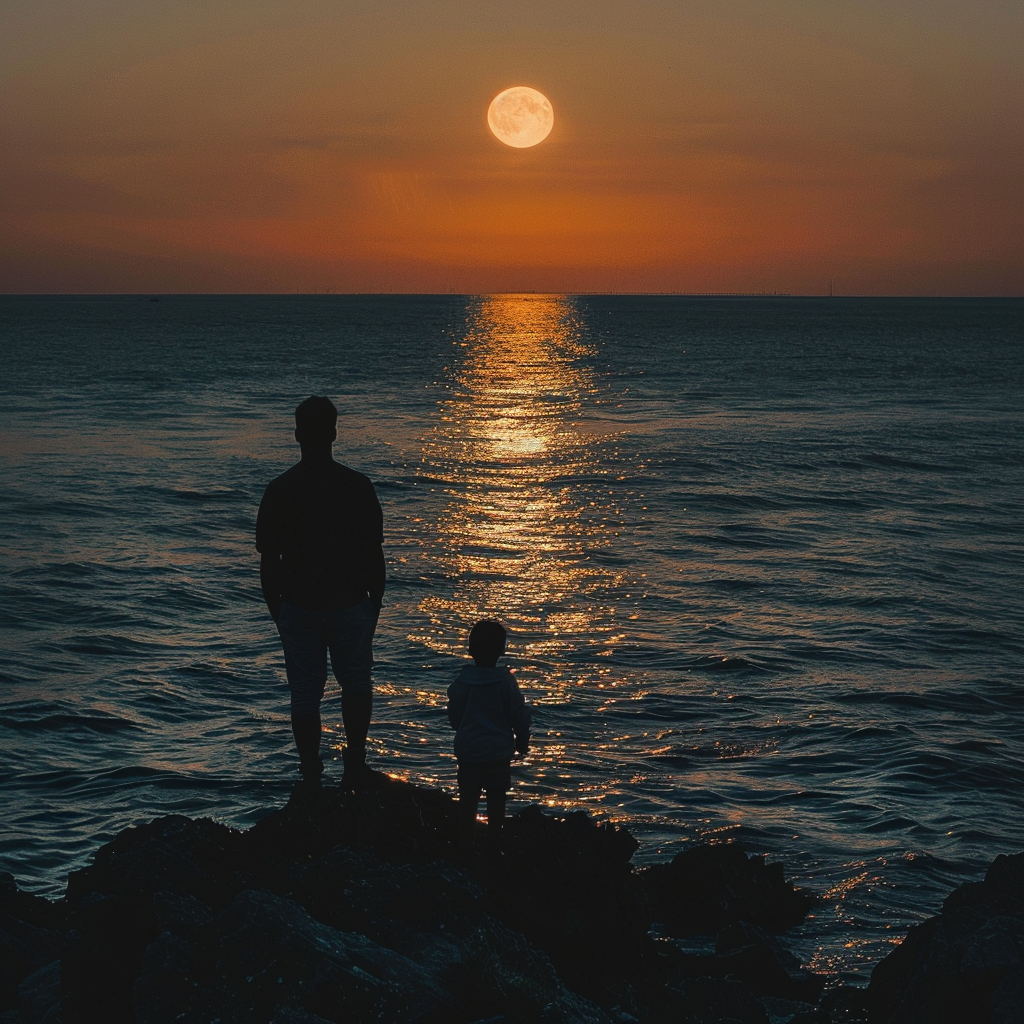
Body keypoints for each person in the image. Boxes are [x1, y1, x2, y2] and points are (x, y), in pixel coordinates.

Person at [256, 396, 385, 793]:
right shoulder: (357, 486)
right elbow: (373, 555)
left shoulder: (279, 490)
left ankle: (312, 774)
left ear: (297, 435)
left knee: (305, 695)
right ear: (333, 433)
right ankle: (355, 766)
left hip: (298, 605)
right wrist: (372, 606)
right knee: (357, 685)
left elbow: (268, 561)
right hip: (349, 602)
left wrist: (279, 611)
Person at [447, 620, 530, 849]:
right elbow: (518, 713)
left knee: (467, 799)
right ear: (502, 650)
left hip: (469, 750)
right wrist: (522, 738)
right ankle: (494, 841)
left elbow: (454, 714)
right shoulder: (505, 681)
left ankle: (465, 841)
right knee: (497, 799)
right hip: (497, 753)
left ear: (470, 649)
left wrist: (461, 729)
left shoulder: (462, 682)